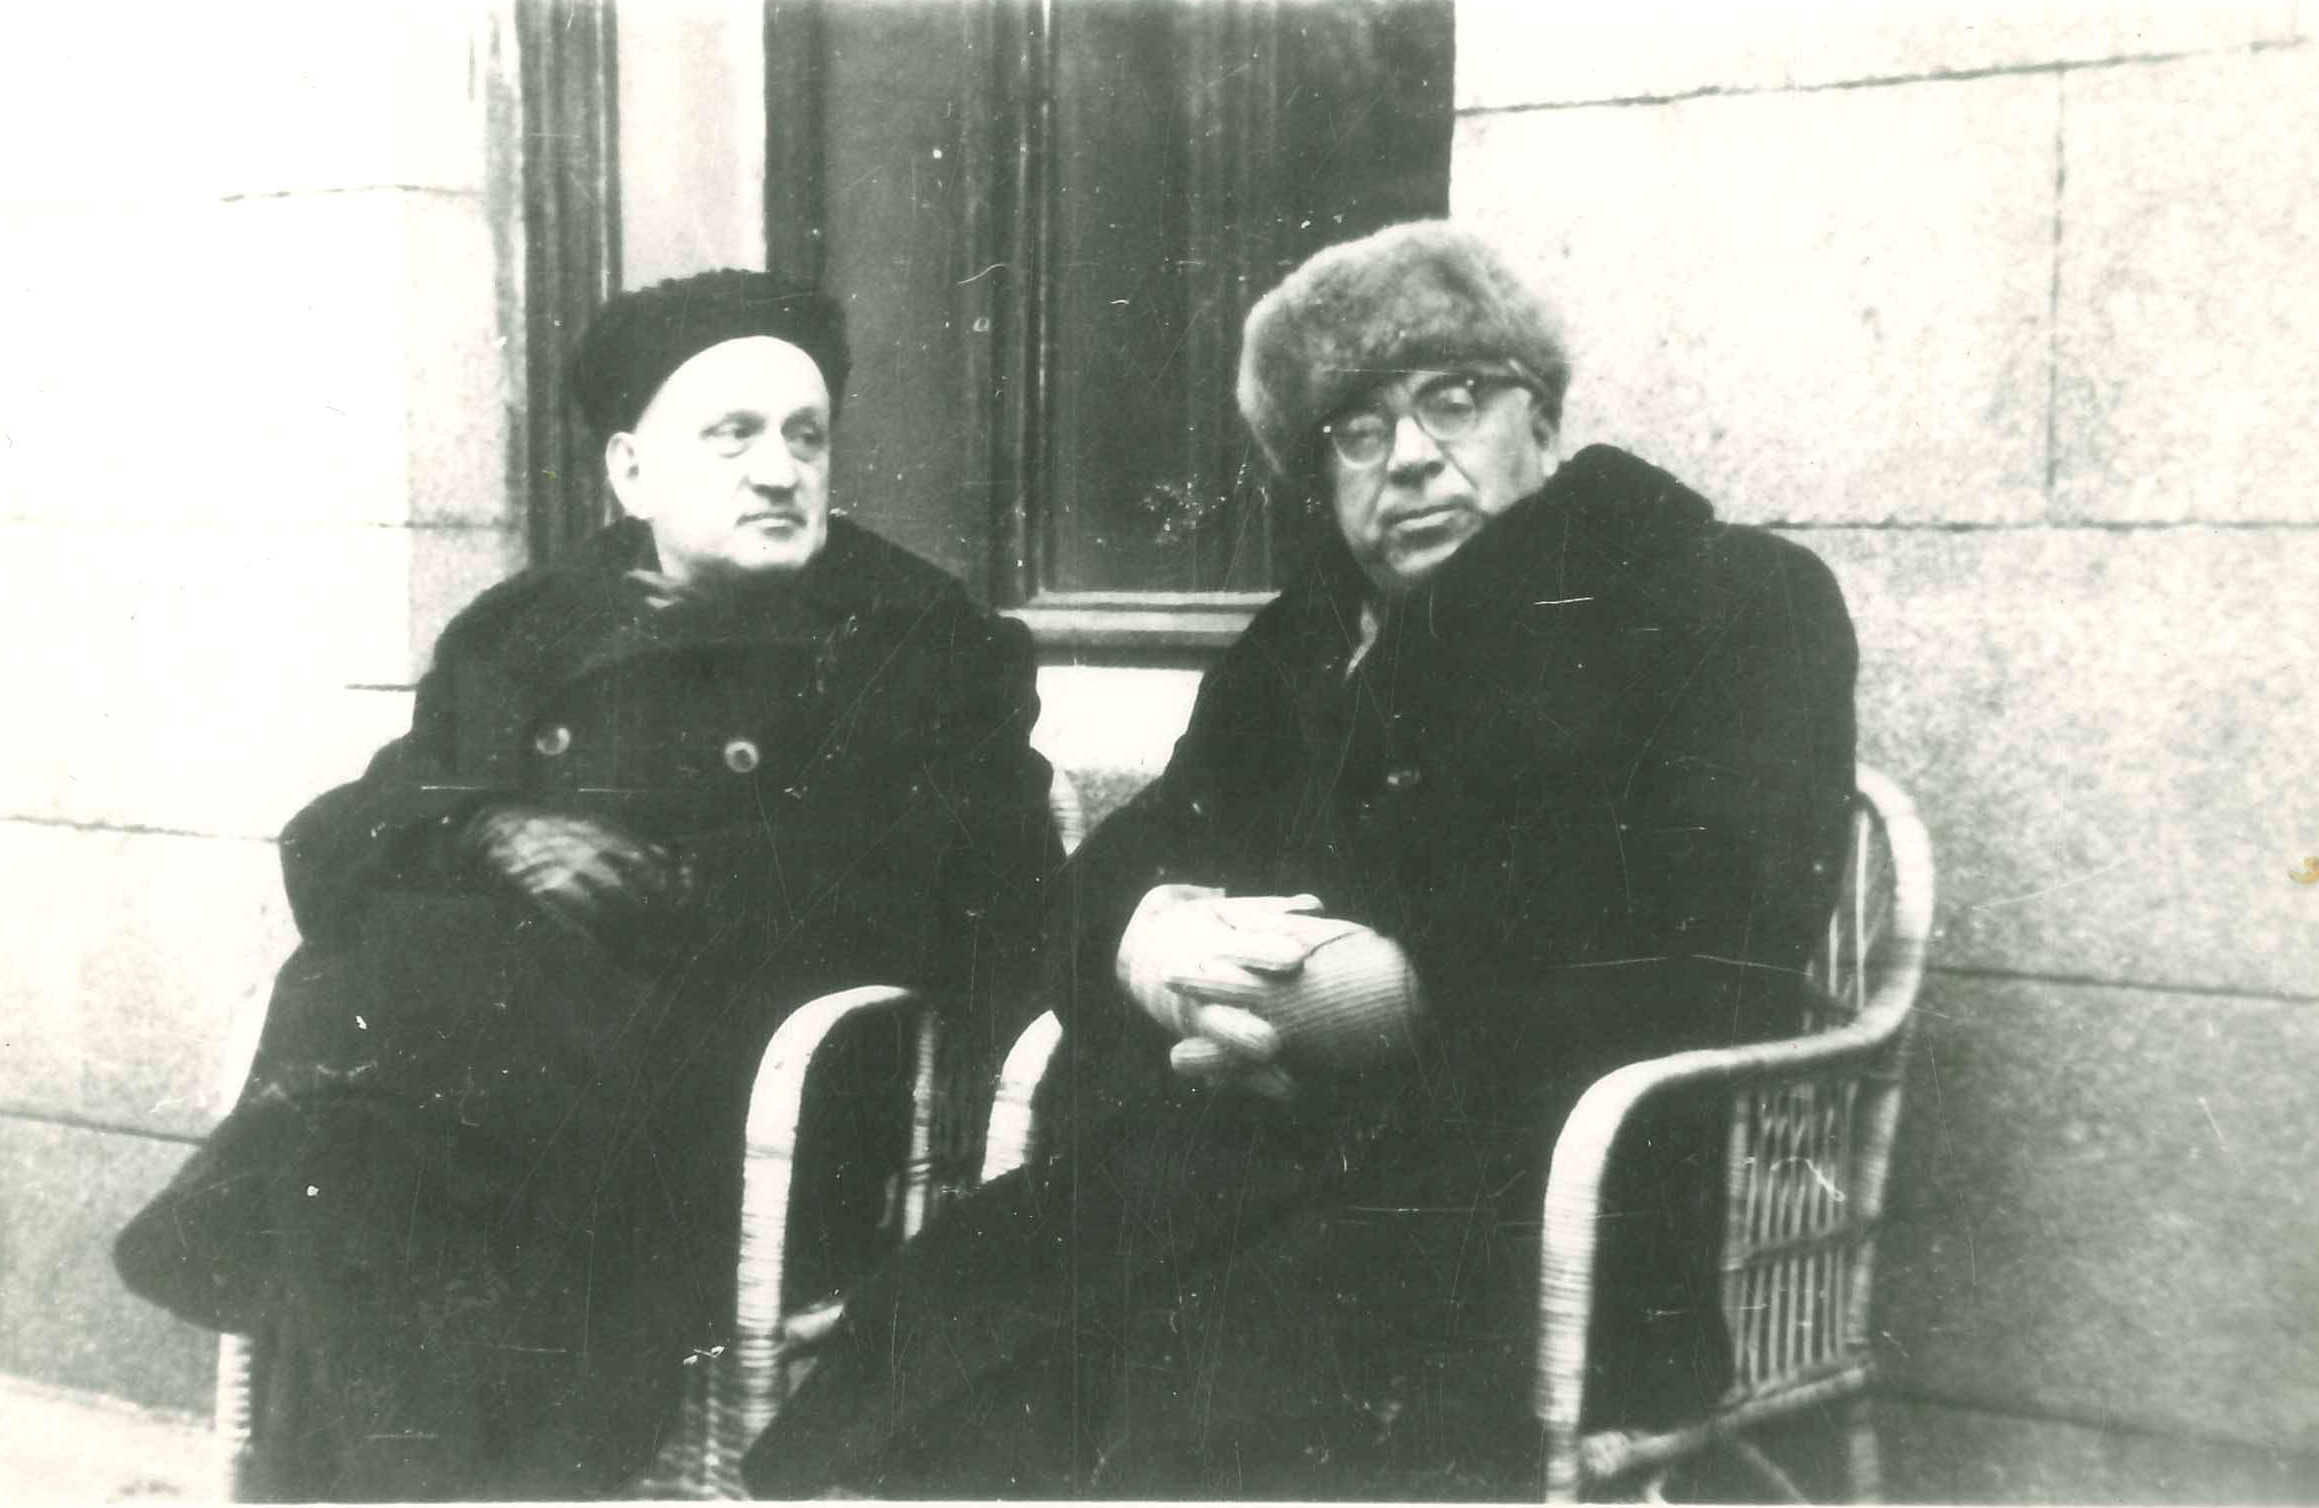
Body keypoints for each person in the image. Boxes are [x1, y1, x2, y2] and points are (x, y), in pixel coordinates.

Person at [743, 222, 1858, 1499]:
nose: (1414, 455)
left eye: (1456, 398)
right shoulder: (1306, 643)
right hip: (1240, 1156)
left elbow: (1722, 930)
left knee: (1215, 1384)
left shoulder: (1724, 597)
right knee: (950, 1322)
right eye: (1360, 430)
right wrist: (1157, 948)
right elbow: (1123, 861)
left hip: (1551, 1197)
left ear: (1543, 418)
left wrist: (1361, 996)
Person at [113, 271, 1060, 1500]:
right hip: (491, 1106)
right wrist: (495, 825)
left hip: (752, 1116)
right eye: (732, 434)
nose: (780, 470)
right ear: (630, 472)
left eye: (805, 434)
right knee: (373, 1115)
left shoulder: (919, 638)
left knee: (358, 1146)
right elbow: (344, 829)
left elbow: (984, 895)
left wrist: (668, 877)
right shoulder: (527, 628)